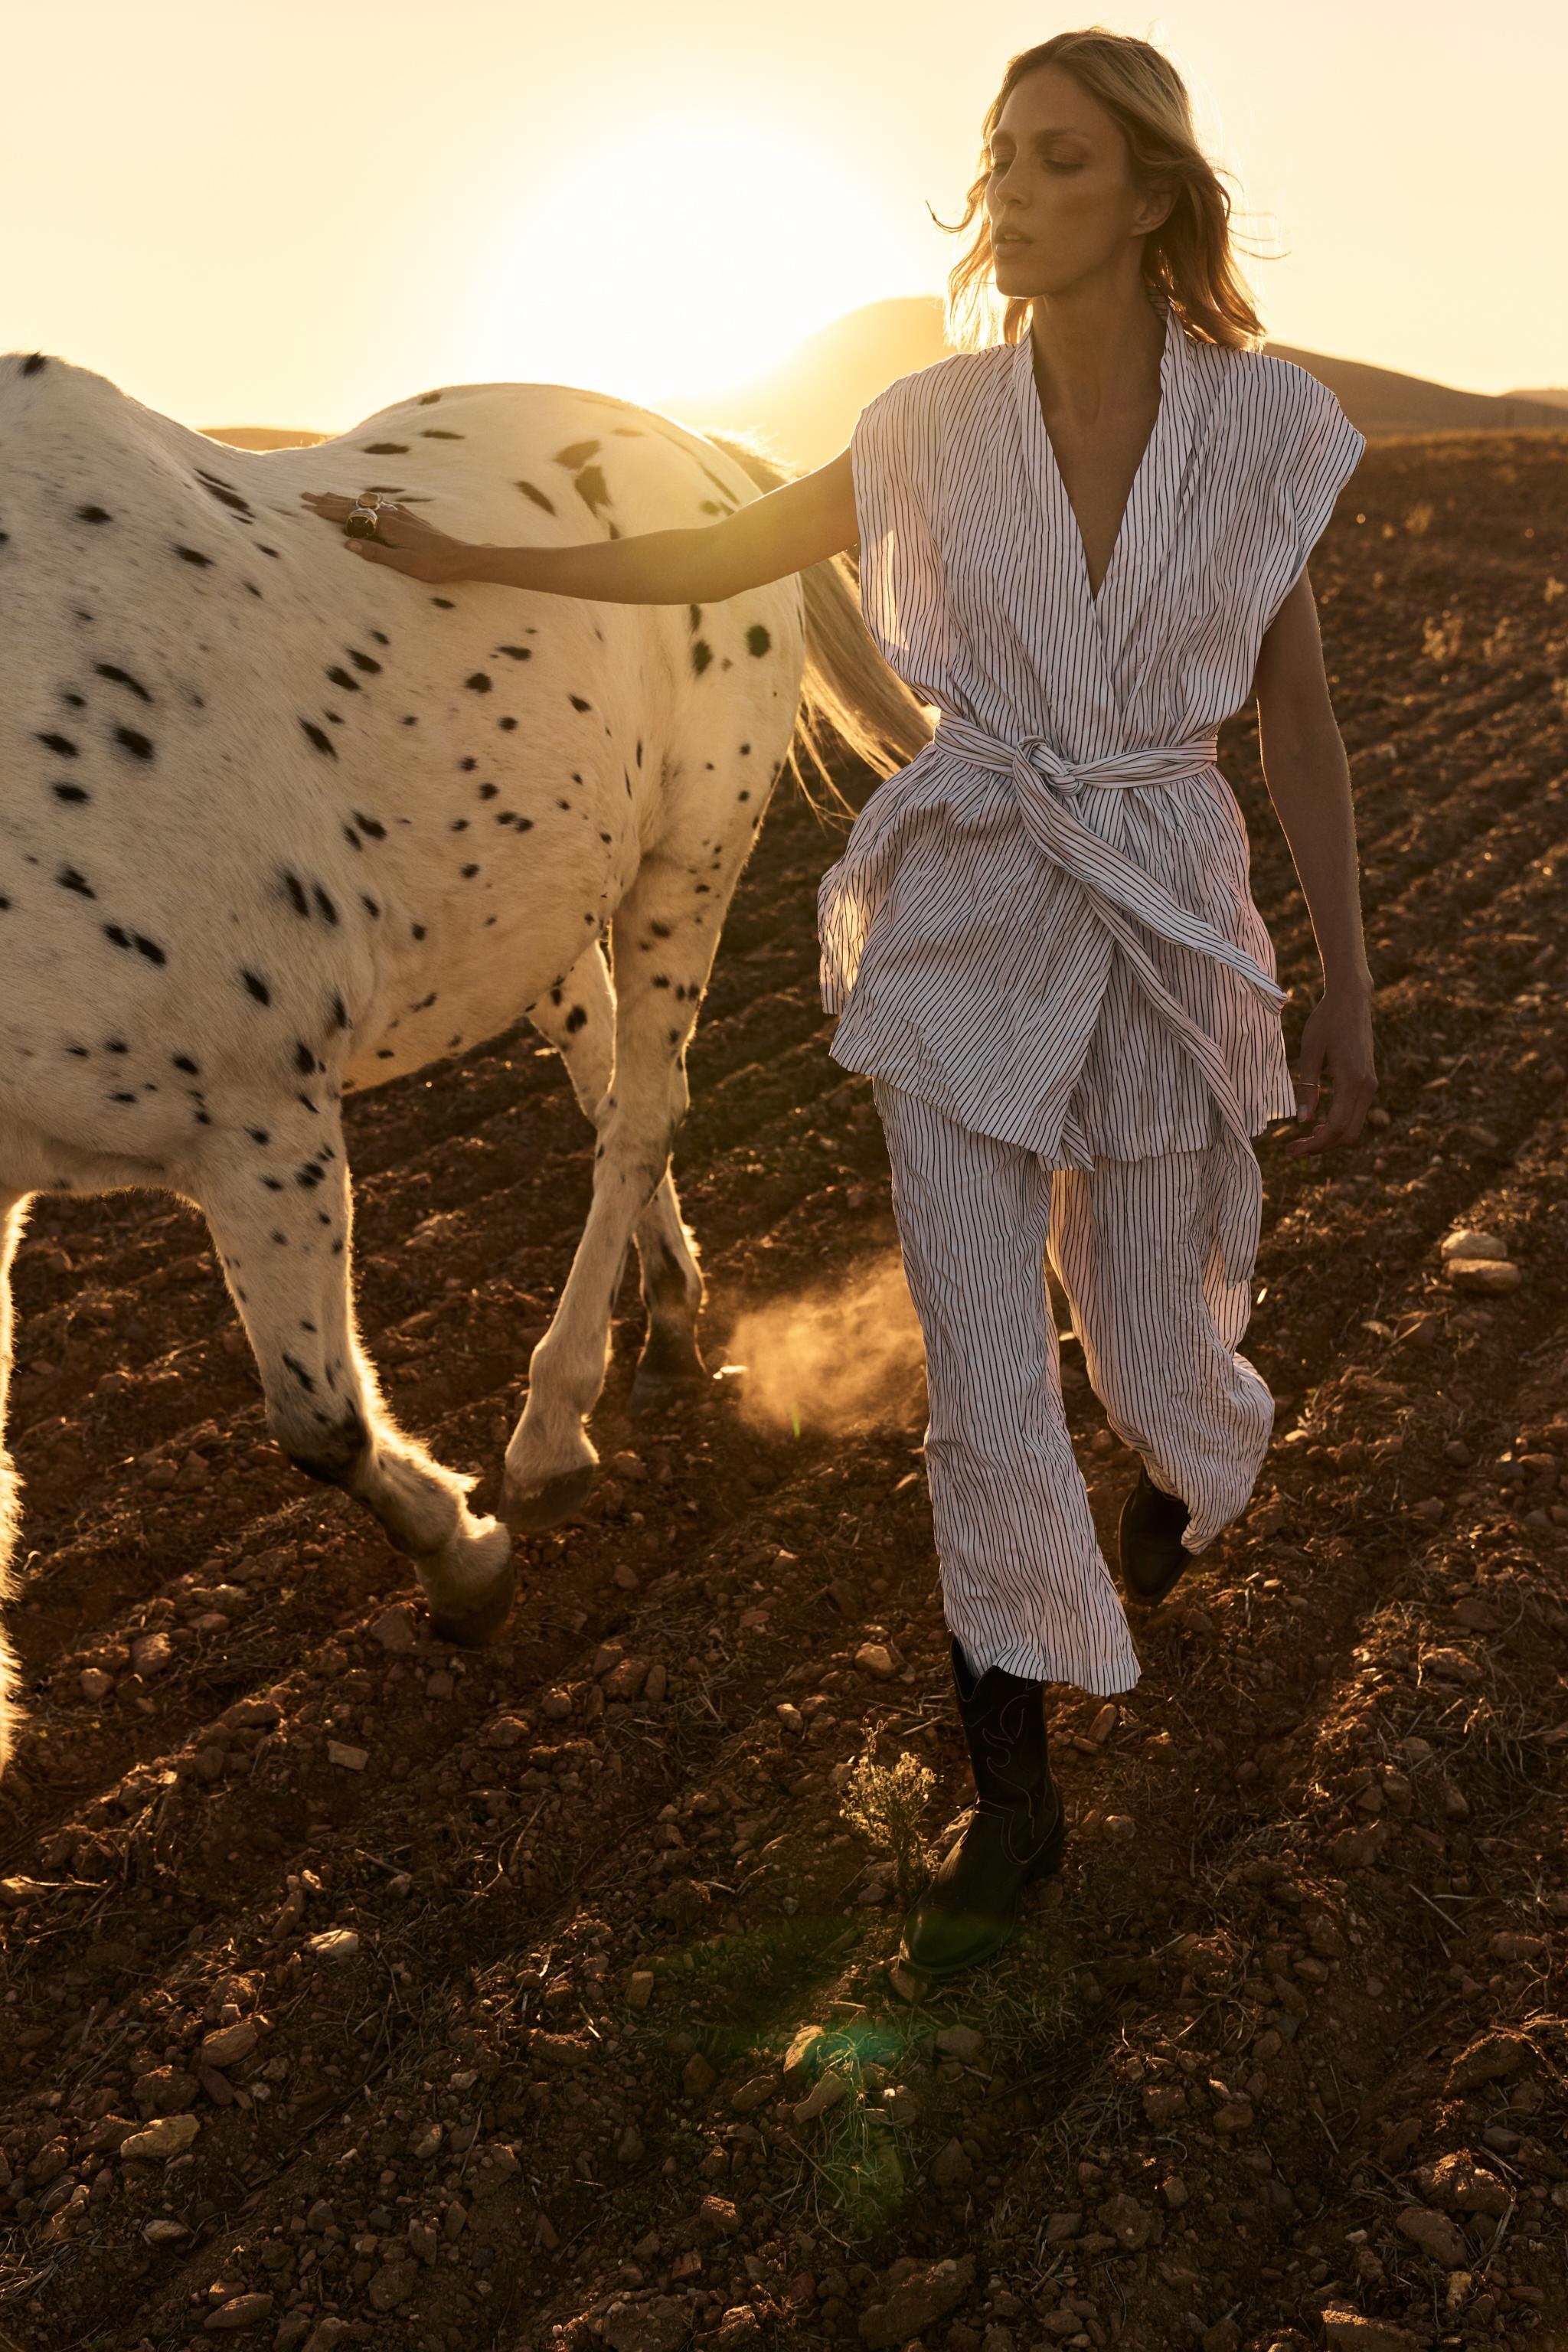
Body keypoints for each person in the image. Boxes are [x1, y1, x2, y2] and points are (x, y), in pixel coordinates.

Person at [302, 29, 1378, 1988]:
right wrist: (468, 551)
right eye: (999, 155)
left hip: (1160, 906)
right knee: (986, 1372)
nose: (1010, 190)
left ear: (1146, 197)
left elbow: (1295, 720)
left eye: (1056, 159)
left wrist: (1348, 990)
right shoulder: (925, 428)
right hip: (968, 905)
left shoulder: (1264, 434)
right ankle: (1012, 1800)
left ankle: (1179, 1479)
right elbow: (716, 550)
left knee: (1150, 1355)